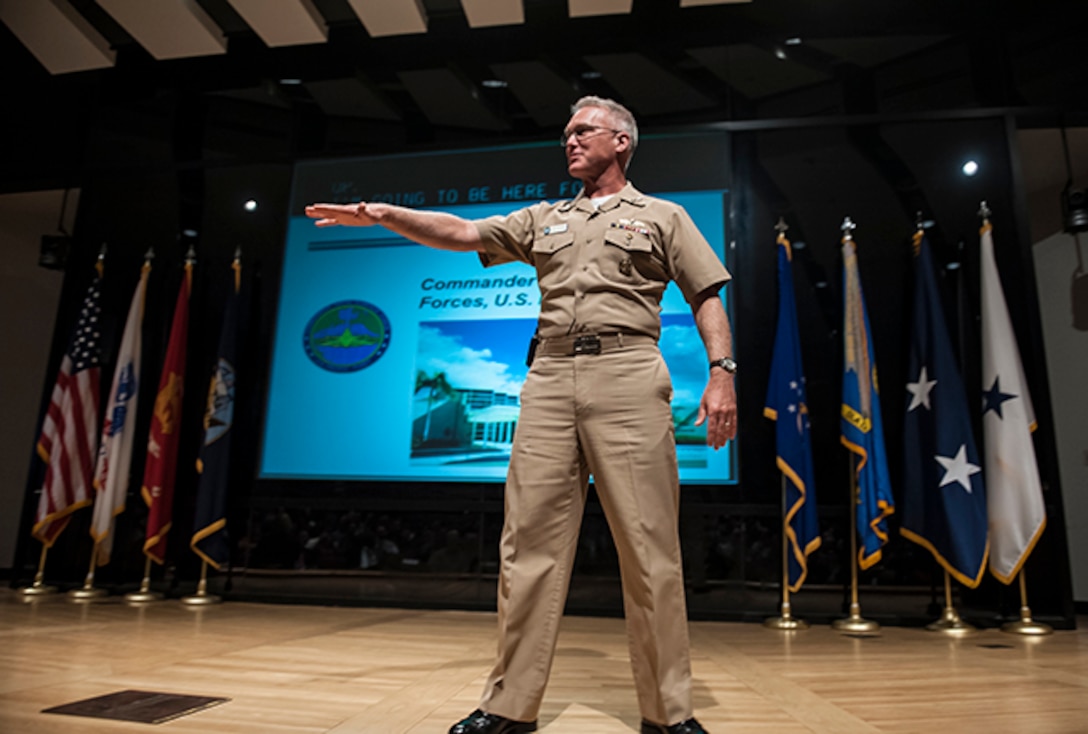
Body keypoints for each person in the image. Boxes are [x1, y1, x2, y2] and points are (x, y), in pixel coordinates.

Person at [306, 96, 737, 734]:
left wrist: (722, 374)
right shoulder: (543, 218)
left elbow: (706, 294)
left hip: (627, 374)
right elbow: (460, 233)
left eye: (583, 131)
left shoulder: (663, 216)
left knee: (650, 552)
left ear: (621, 141)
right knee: (527, 548)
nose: (570, 141)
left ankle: (668, 713)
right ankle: (509, 705)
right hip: (548, 379)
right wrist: (381, 214)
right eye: (566, 132)